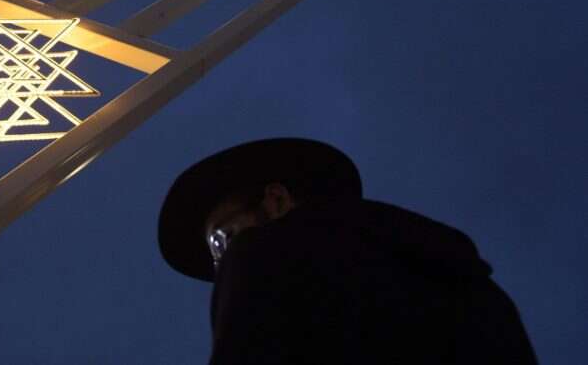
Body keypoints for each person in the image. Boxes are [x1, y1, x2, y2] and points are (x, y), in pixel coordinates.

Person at [157, 138, 536, 364]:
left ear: (275, 199)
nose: (221, 261)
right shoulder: (461, 275)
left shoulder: (264, 252)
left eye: (221, 239)